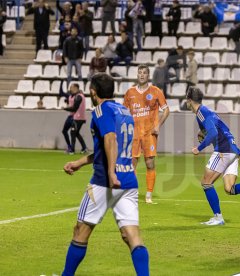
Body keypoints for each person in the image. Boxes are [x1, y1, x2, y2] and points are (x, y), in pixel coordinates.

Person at [61, 73, 149, 275]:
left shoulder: (101, 110)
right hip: (128, 181)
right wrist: (79, 163)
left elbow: (110, 139)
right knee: (132, 235)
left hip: (105, 182)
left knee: (81, 231)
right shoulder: (124, 111)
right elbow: (108, 148)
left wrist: (110, 172)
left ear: (93, 92)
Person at [186, 87, 240, 226]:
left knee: (206, 183)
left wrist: (199, 148)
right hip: (232, 149)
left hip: (223, 150)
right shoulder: (209, 112)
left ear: (189, 100)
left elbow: (213, 133)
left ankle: (218, 217)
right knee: (229, 188)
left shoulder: (201, 112)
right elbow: (221, 129)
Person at [123, 64, 170, 204]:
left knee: (150, 163)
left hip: (149, 133)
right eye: (140, 72)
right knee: (132, 164)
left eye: (144, 73)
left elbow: (166, 110)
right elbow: (124, 113)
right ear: (137, 75)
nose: (142, 75)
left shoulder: (156, 91)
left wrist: (158, 125)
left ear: (148, 75)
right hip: (134, 134)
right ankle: (133, 193)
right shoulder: (130, 92)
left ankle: (148, 195)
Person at [62, 83, 88, 154]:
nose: (70, 89)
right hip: (77, 117)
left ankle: (72, 150)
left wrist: (65, 108)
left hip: (78, 117)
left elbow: (74, 108)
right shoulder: (74, 96)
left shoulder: (79, 96)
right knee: (75, 133)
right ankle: (84, 148)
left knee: (73, 132)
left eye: (71, 87)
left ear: (76, 88)